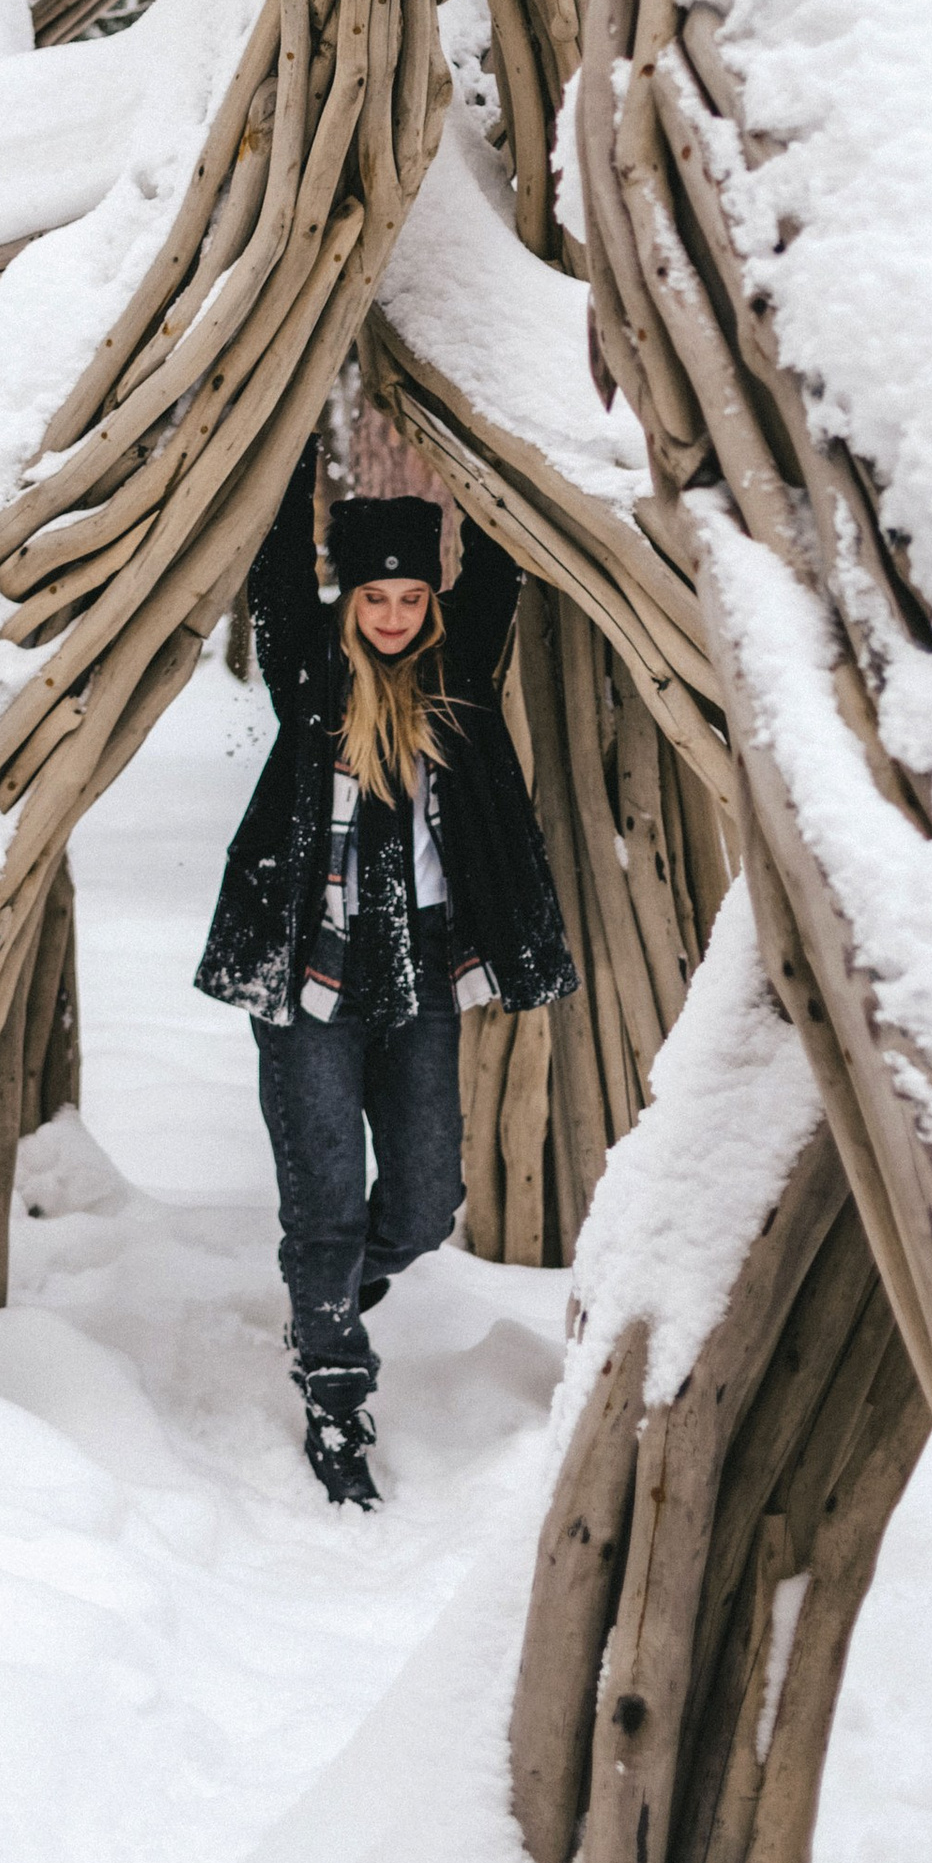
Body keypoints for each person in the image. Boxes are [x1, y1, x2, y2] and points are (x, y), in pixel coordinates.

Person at [195, 436, 577, 1508]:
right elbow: (277, 571)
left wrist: (480, 440)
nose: (396, 615)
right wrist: (296, 441)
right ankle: (333, 1390)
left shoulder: (458, 677)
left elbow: (497, 564)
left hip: (417, 980)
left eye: (411, 596)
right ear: (351, 598)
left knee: (423, 1202)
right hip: (310, 980)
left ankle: (326, 1300)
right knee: (321, 1207)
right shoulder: (311, 674)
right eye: (377, 596)